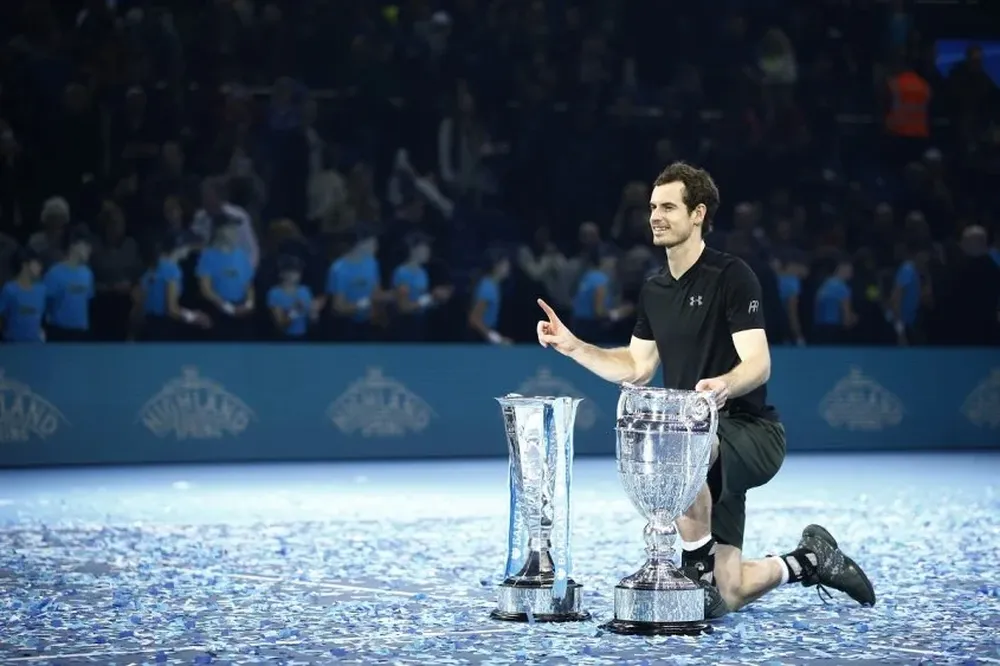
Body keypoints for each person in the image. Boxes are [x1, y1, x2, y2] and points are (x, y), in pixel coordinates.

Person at [535, 162, 875, 619]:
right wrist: (575, 347)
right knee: (727, 595)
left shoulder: (732, 276)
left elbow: (758, 362)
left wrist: (722, 385)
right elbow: (637, 367)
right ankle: (811, 560)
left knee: (678, 450)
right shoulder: (654, 289)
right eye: (653, 207)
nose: (655, 215)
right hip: (698, 449)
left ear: (698, 214)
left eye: (668, 207)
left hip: (748, 433)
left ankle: (694, 566)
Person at [135, 234, 211, 340]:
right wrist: (194, 317)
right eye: (186, 246)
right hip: (160, 329)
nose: (188, 249)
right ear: (178, 248)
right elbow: (171, 309)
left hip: (145, 328)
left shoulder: (151, 268)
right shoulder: (172, 270)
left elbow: (139, 305)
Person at [196, 215, 256, 341]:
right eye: (231, 228)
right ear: (220, 230)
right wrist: (227, 307)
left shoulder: (241, 254)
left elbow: (248, 285)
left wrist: (249, 304)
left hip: (241, 311)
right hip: (219, 311)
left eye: (235, 228)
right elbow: (205, 289)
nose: (235, 232)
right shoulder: (208, 255)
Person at [391, 233, 452, 341]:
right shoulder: (402, 272)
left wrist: (438, 297)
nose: (428, 252)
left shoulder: (422, 272)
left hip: (421, 324)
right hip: (406, 328)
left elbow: (423, 300)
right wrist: (430, 298)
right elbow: (404, 307)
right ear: (413, 250)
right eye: (424, 248)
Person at [326, 231, 384, 342]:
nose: (376, 247)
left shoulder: (373, 263)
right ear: (359, 244)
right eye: (372, 244)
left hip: (369, 325)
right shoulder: (339, 269)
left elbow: (376, 293)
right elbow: (338, 307)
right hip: (345, 327)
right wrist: (362, 304)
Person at [43, 226, 95, 342]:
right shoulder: (54, 273)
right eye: (86, 246)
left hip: (81, 332)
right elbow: (46, 303)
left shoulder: (88, 273)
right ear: (73, 246)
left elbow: (86, 301)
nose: (89, 250)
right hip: (59, 332)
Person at [0, 248, 46, 343]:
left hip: (36, 346)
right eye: (37, 263)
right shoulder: (9, 289)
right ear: (25, 265)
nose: (40, 267)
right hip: (13, 346)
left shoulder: (42, 289)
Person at [267, 255, 317, 340]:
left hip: (304, 338)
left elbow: (313, 321)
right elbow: (281, 324)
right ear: (282, 273)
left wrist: (313, 313)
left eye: (297, 272)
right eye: (290, 271)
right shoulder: (274, 293)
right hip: (283, 339)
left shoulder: (305, 291)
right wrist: (294, 311)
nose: (293, 275)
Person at [468, 248, 512, 345]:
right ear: (496, 266)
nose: (508, 267)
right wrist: (496, 339)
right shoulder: (487, 287)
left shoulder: (495, 285)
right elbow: (474, 319)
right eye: (505, 264)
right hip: (478, 339)